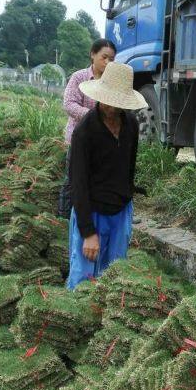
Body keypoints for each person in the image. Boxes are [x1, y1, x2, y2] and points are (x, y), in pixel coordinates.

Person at [66, 61, 143, 289]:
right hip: (92, 210)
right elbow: (77, 184)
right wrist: (88, 232)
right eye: (108, 101)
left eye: (118, 103)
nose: (112, 108)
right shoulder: (85, 131)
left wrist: (127, 197)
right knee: (84, 276)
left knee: (115, 274)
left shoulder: (131, 125)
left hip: (119, 211)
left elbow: (129, 166)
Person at [58, 38, 116, 218]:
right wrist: (94, 117)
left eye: (112, 59)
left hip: (103, 141)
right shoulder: (79, 77)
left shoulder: (112, 82)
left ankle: (95, 215)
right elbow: (68, 104)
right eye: (104, 57)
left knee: (101, 179)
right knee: (73, 179)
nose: (107, 63)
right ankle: (64, 217)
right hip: (79, 138)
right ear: (93, 54)